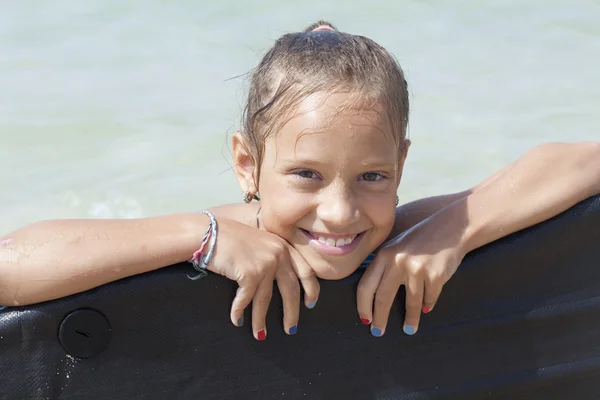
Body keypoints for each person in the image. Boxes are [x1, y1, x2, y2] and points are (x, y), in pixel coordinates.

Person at [1, 21, 599, 341]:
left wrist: (454, 228)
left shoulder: (403, 233)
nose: (340, 213)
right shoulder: (229, 228)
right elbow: (10, 266)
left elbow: (580, 161)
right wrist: (200, 236)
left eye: (373, 176)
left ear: (402, 167)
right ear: (246, 165)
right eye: (306, 175)